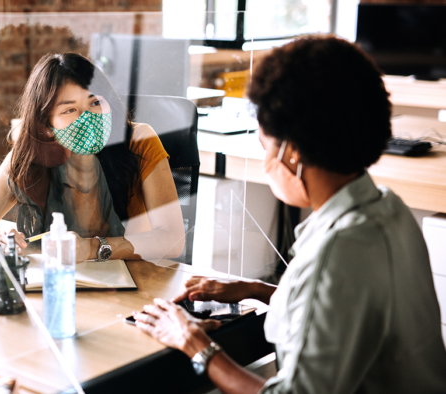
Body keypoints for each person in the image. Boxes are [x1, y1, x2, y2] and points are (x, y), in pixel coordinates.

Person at [134, 35, 446, 393]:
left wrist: (192, 341)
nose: (266, 161)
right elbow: (345, 307)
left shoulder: (338, 250)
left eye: (265, 146)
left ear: (292, 153)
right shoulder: (387, 208)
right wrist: (256, 289)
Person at [0, 53, 185, 261]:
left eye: (95, 102)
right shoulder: (32, 153)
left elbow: (172, 240)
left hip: (137, 280)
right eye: (70, 110)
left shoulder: (140, 140)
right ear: (47, 126)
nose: (87, 118)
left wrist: (91, 248)